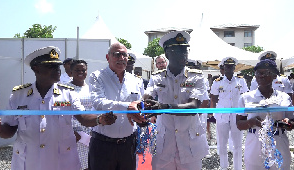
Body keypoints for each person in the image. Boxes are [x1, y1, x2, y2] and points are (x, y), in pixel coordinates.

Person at [0, 46, 85, 170]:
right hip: (29, 162)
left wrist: (99, 119)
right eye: (51, 66)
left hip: (61, 162)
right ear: (35, 68)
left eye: (58, 66)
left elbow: (84, 117)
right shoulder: (18, 96)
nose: (57, 70)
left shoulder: (68, 94)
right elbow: (8, 130)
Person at [144, 31, 209, 170]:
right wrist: (145, 103)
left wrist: (163, 107)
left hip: (190, 146)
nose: (183, 54)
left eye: (185, 50)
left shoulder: (196, 77)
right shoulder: (157, 77)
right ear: (167, 54)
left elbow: (193, 107)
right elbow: (147, 97)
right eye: (178, 50)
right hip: (164, 145)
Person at [88, 42, 145, 170]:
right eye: (117, 54)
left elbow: (140, 104)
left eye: (124, 55)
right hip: (103, 145)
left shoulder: (136, 80)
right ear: (108, 57)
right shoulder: (97, 77)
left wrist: (141, 115)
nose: (121, 58)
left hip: (128, 145)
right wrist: (127, 107)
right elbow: (98, 102)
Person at [236, 59, 294, 170]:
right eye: (259, 73)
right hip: (255, 142)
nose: (262, 76)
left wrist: (286, 124)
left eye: (267, 73)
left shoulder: (284, 97)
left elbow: (292, 122)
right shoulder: (246, 97)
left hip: (279, 141)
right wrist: (251, 122)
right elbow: (239, 124)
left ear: (274, 76)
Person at [210, 57, 249, 170]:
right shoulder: (218, 82)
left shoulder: (240, 80)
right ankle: (223, 167)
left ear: (234, 68)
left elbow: (245, 96)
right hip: (222, 115)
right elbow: (214, 97)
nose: (229, 69)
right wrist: (214, 112)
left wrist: (245, 113)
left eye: (231, 66)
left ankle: (237, 168)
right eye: (227, 66)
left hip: (237, 116)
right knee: (222, 144)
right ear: (223, 68)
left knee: (237, 144)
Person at [66, 59, 92, 170]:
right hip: (73, 134)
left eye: (83, 70)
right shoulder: (64, 90)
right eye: (77, 70)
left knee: (88, 164)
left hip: (90, 134)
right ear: (71, 72)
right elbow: (60, 113)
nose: (80, 72)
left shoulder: (91, 89)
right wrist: (70, 132)